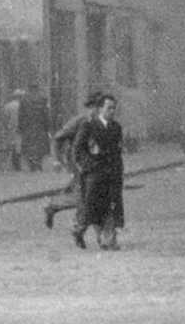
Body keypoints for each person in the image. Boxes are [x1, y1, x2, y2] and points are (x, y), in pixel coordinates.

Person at [71, 93, 125, 250]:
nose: (112, 111)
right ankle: (78, 231)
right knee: (91, 209)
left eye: (114, 108)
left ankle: (108, 240)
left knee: (111, 206)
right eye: (109, 108)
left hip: (111, 174)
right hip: (94, 175)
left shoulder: (116, 127)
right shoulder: (89, 126)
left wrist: (118, 171)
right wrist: (88, 166)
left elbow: (118, 151)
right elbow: (78, 149)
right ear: (100, 109)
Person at [42, 92, 103, 230]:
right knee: (87, 194)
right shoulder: (79, 121)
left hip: (94, 163)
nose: (99, 111)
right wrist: (56, 160)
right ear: (91, 107)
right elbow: (58, 138)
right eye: (97, 107)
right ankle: (81, 226)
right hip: (77, 162)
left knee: (86, 193)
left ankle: (54, 207)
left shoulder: (104, 122)